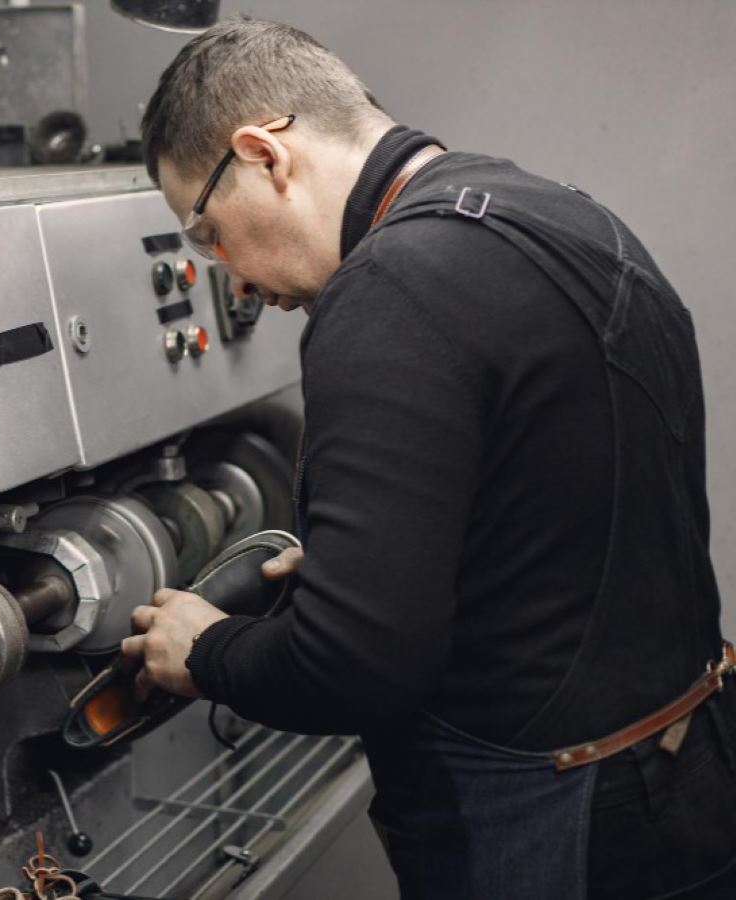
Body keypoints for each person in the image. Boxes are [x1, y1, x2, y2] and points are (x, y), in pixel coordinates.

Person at [119, 16, 736, 899]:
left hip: (558, 824)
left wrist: (207, 649)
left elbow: (353, 668)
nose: (236, 280)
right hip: (689, 773)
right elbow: (564, 511)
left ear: (263, 154)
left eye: (207, 231)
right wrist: (371, 566)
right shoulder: (551, 210)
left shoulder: (388, 294)